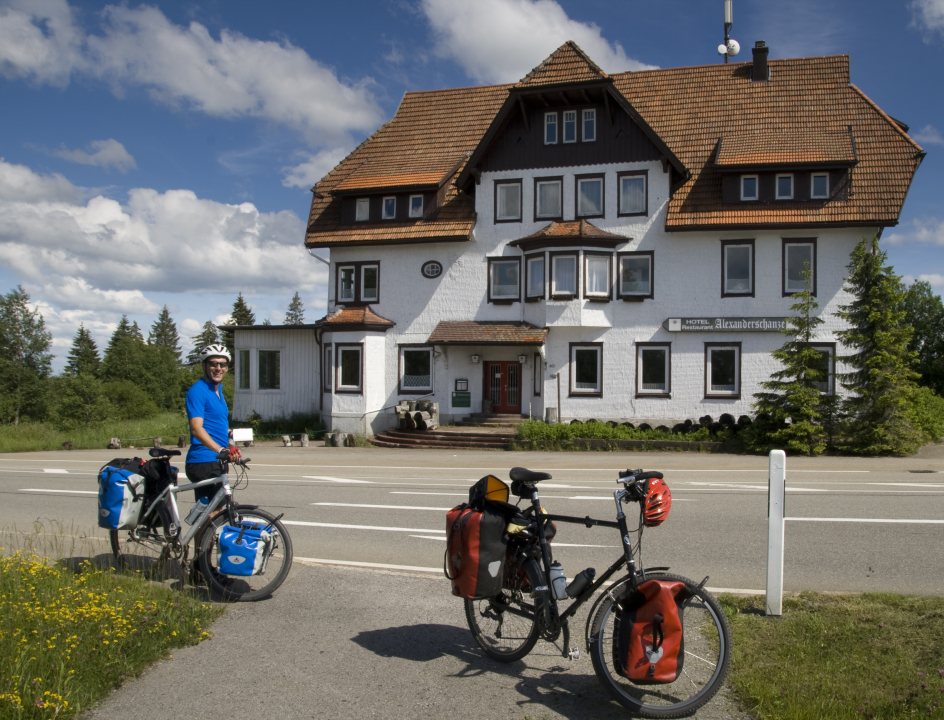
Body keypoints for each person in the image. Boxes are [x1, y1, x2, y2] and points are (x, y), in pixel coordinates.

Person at [185, 344, 239, 505]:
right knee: (215, 512)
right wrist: (220, 449)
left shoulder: (217, 390)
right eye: (213, 364)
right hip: (203, 461)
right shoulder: (198, 391)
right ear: (204, 366)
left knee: (218, 511)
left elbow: (218, 425)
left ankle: (201, 529)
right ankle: (201, 529)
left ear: (227, 368)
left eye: (222, 364)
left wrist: (231, 444)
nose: (218, 368)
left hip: (217, 460)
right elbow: (196, 428)